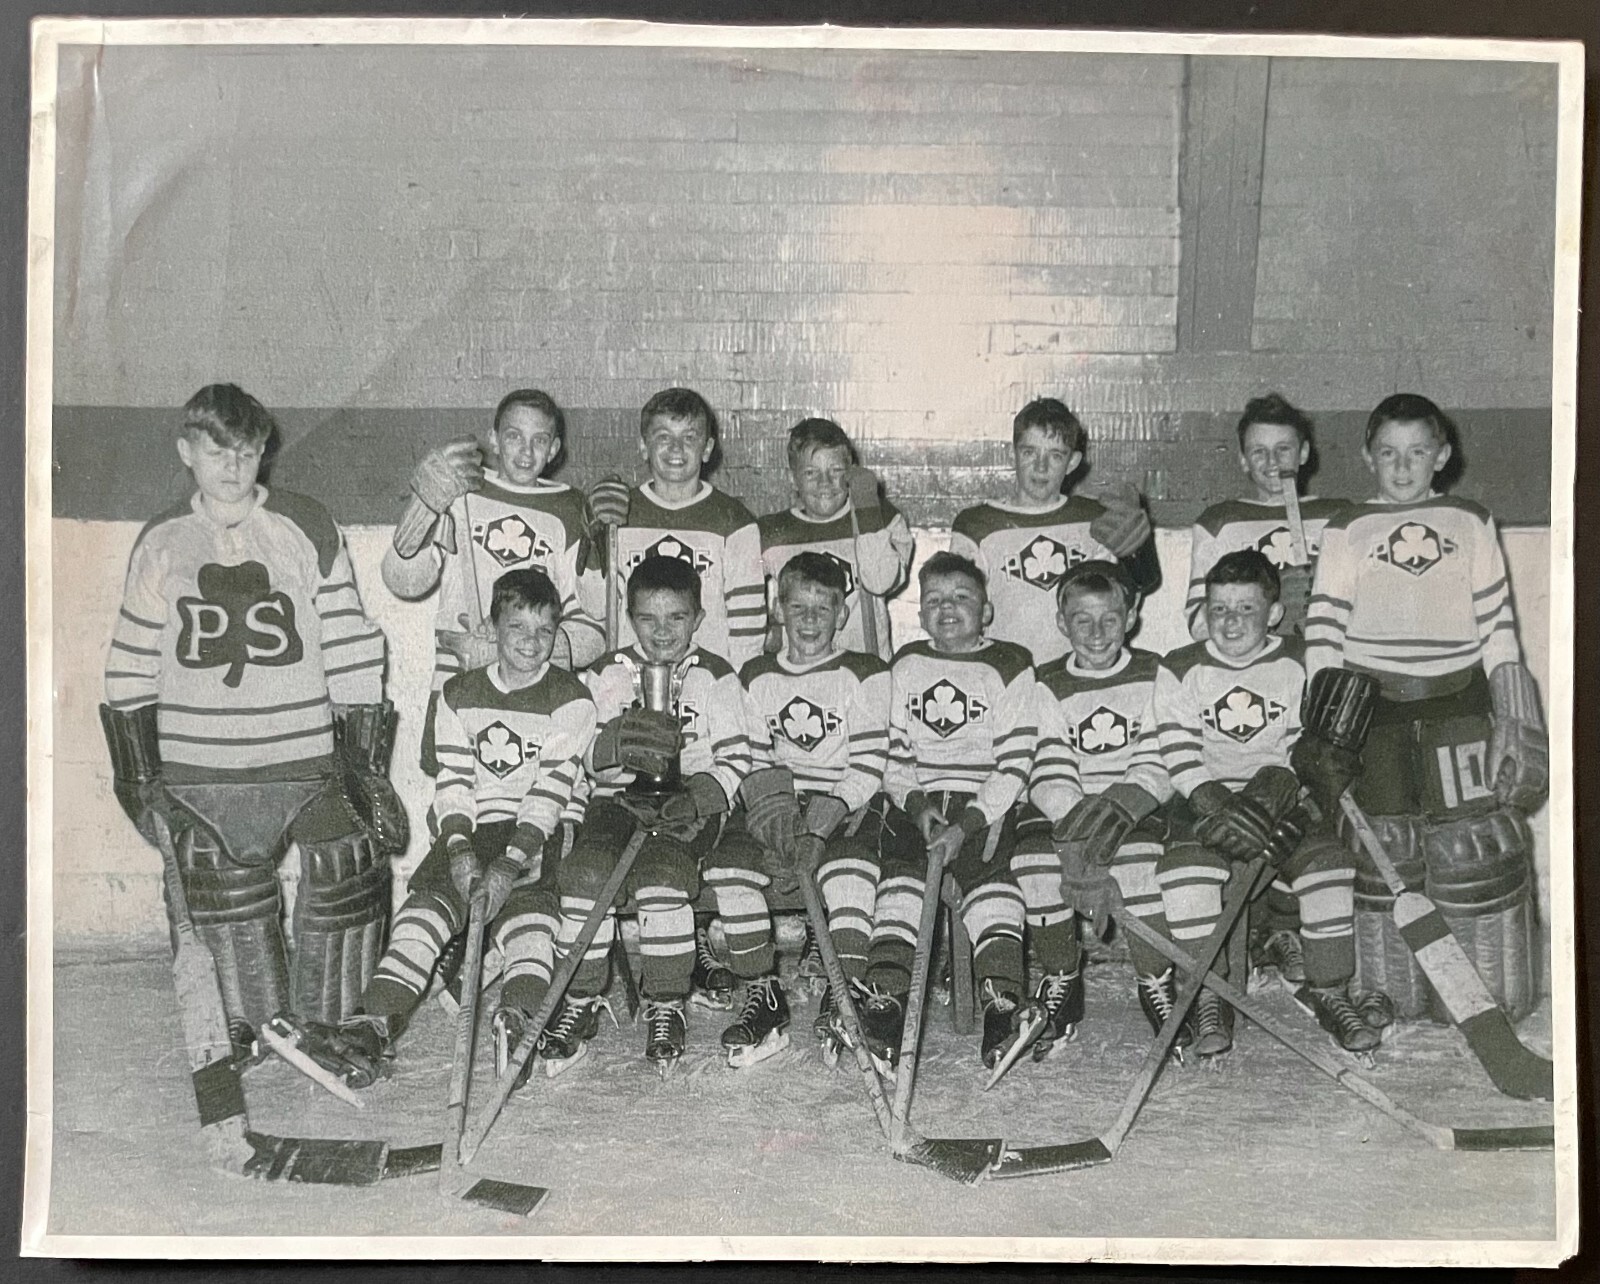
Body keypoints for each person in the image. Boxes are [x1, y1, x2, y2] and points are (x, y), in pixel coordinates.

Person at [100, 383, 403, 1054]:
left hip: (305, 757)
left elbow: (350, 638)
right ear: (187, 452)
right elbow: (130, 660)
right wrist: (137, 773)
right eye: (216, 452)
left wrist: (362, 754)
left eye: (246, 451)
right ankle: (251, 1026)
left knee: (348, 861)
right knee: (216, 871)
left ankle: (332, 1027)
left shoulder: (305, 523)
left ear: (264, 452)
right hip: (202, 770)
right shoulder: (163, 539)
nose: (232, 467)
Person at [282, 569, 597, 1088]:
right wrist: (458, 851)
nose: (531, 642)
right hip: (473, 825)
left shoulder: (572, 698)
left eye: (544, 630)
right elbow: (453, 783)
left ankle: (517, 1022)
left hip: (542, 828)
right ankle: (371, 1027)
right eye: (517, 627)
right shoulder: (457, 693)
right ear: (493, 628)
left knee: (530, 925)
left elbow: (549, 795)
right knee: (422, 917)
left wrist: (510, 863)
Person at [1299, 394, 1548, 1032]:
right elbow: (1324, 626)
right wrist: (1322, 718)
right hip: (1371, 709)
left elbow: (1497, 624)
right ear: (1367, 457)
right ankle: (1390, 990)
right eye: (1388, 453)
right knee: (1385, 851)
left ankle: (1483, 994)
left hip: (1459, 705)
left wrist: (1514, 711)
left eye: (1417, 453)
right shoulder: (1347, 526)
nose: (1403, 466)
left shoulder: (1470, 519)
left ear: (1442, 455)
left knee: (1472, 848)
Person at [1152, 550, 1379, 1058]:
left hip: (1284, 797)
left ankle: (1330, 991)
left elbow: (1320, 750)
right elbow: (1178, 754)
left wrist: (1301, 800)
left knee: (1328, 865)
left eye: (1246, 609)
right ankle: (1209, 994)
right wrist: (1215, 804)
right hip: (1203, 798)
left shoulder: (1302, 659)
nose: (1230, 622)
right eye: (1218, 609)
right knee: (1185, 872)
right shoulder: (1179, 666)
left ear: (1274, 613)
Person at [563, 555, 753, 1074]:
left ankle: (667, 1003)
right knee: (584, 871)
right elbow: (588, 763)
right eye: (648, 618)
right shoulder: (608, 671)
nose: (662, 630)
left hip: (688, 799)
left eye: (676, 618)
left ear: (697, 617)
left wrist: (699, 797)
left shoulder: (717, 675)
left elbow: (737, 760)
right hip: (621, 798)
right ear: (629, 617)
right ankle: (579, 1000)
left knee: (663, 876)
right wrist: (613, 746)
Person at [862, 552, 1041, 1078]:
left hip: (984, 803)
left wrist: (968, 824)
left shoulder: (1011, 664)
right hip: (919, 804)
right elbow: (892, 756)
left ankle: (1002, 1005)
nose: (947, 609)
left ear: (986, 611)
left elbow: (1015, 764)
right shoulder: (907, 664)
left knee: (990, 881)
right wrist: (917, 808)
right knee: (900, 879)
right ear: (918, 614)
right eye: (934, 600)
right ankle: (887, 1003)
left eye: (962, 598)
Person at [720, 551, 893, 1067]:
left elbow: (867, 766)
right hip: (775, 807)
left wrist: (817, 829)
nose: (812, 619)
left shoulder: (866, 672)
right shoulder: (753, 674)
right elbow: (751, 758)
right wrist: (777, 822)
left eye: (826, 607)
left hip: (844, 806)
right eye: (799, 607)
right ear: (779, 610)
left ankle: (845, 994)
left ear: (844, 614)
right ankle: (764, 997)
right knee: (730, 868)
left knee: (850, 870)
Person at [381, 388, 604, 773]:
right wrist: (423, 506)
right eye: (514, 436)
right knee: (455, 802)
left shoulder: (569, 510)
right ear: (494, 438)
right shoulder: (458, 488)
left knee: (532, 801)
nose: (525, 451)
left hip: (534, 685)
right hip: (457, 676)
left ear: (554, 450)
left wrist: (523, 646)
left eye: (539, 440)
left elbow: (594, 627)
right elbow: (405, 582)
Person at [1022, 561, 1176, 1053]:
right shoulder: (1045, 682)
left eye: (1109, 619)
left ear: (1130, 617)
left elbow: (1162, 752)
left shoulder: (1156, 673)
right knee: (1033, 863)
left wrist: (1120, 806)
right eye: (1081, 620)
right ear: (1061, 623)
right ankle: (1062, 977)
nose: (1095, 632)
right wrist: (1076, 824)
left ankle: (1156, 980)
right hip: (1071, 812)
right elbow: (1047, 759)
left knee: (1138, 864)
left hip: (1137, 808)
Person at [949, 397, 1156, 668]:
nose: (1041, 467)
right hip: (1004, 675)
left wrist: (1139, 554)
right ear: (1013, 452)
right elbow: (960, 609)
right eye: (1030, 452)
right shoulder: (977, 524)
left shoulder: (1096, 519)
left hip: (1075, 675)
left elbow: (1131, 594)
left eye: (1055, 455)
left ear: (1072, 462)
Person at [586, 387, 768, 671]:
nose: (676, 448)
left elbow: (748, 627)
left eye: (689, 437)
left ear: (707, 449)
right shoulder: (620, 510)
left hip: (706, 681)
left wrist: (739, 683)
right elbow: (595, 605)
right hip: (630, 677)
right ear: (644, 446)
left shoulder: (734, 519)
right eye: (663, 437)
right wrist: (596, 534)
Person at [1185, 393, 1346, 640]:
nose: (1272, 461)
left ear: (1303, 453)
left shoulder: (1339, 517)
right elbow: (1198, 625)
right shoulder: (1219, 523)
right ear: (1243, 460)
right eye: (1259, 451)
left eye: (1283, 449)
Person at [756, 418, 914, 661]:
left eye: (836, 471)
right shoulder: (772, 532)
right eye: (811, 473)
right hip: (797, 673)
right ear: (792, 479)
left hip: (864, 670)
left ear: (850, 472)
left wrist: (866, 505)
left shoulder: (881, 518)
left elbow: (881, 581)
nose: (824, 483)